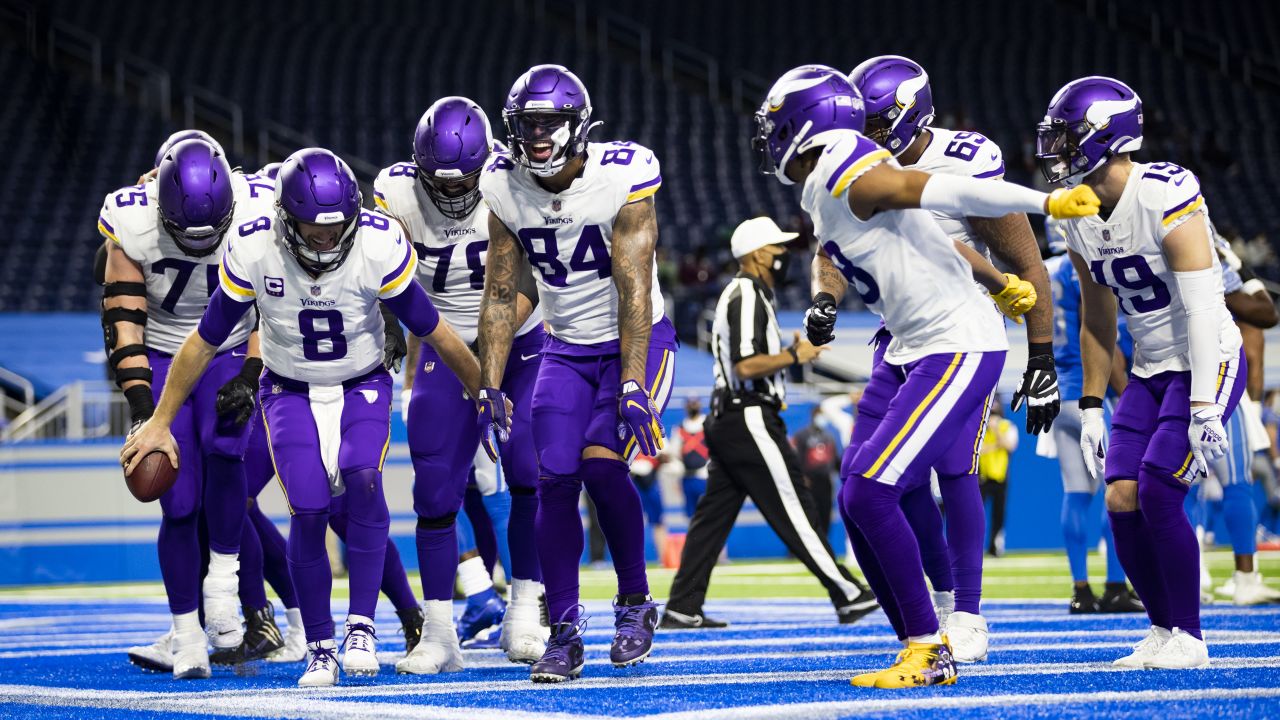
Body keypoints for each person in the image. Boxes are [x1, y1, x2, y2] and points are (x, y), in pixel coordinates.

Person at [757, 65, 1098, 688]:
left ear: (805, 126)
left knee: (871, 488)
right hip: (912, 342)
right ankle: (918, 638)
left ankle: (935, 640)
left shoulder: (843, 166)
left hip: (955, 345)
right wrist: (997, 282)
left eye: (775, 125)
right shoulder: (824, 183)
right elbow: (922, 236)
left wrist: (1042, 201)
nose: (767, 136)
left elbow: (952, 197)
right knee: (855, 497)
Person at [123, 147, 483, 687]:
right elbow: (202, 343)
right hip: (288, 387)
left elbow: (435, 330)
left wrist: (484, 389)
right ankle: (319, 644)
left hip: (361, 380)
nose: (326, 239)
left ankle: (361, 626)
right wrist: (159, 419)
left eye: (336, 227)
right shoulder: (253, 246)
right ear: (286, 220)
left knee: (363, 478)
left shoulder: (378, 242)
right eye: (313, 229)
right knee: (310, 510)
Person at [850, 55, 1060, 663]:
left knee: (956, 468)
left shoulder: (964, 160)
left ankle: (966, 613)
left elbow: (1025, 262)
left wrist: (1040, 356)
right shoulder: (854, 166)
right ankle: (940, 600)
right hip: (897, 338)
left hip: (962, 337)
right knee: (884, 476)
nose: (866, 133)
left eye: (876, 120)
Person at [476, 64, 677, 683]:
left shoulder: (620, 176)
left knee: (598, 463)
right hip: (564, 348)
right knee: (552, 479)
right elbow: (503, 291)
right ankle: (563, 632)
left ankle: (636, 602)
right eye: (526, 124)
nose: (536, 137)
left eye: (549, 123)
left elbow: (635, 289)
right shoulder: (502, 184)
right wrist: (489, 381)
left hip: (633, 341)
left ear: (578, 126)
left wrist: (635, 383)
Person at [1037, 76, 1245, 669]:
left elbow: (1205, 306)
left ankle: (1192, 638)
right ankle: (1161, 629)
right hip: (1152, 369)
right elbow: (1098, 319)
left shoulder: (1165, 192)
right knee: (1121, 496)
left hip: (1208, 360)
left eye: (1068, 136)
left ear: (1108, 134)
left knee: (1158, 490)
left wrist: (1205, 404)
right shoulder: (1076, 214)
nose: (1057, 150)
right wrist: (1093, 405)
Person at [375, 96, 547, 671]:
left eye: (462, 181)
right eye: (438, 181)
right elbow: (381, 265)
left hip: (519, 336)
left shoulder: (514, 180)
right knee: (434, 488)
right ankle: (441, 633)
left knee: (527, 475)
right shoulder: (396, 192)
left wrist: (491, 350)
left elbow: (534, 280)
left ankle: (524, 612)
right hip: (442, 342)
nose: (450, 193)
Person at [102, 138, 270, 678]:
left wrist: (251, 369)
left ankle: (223, 588)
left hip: (227, 346)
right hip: (160, 349)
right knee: (177, 500)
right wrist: (146, 411)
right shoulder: (130, 220)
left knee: (226, 452)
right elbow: (122, 323)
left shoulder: (260, 208)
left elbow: (276, 300)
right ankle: (186, 633)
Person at [662, 216, 878, 630]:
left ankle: (683, 604)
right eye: (777, 250)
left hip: (732, 416)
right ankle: (847, 592)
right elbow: (746, 365)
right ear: (759, 254)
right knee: (795, 505)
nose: (783, 257)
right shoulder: (746, 293)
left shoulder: (748, 294)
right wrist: (794, 356)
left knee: (713, 517)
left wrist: (787, 353)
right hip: (748, 416)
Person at [1043, 221, 1144, 615]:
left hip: (1056, 396)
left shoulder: (1044, 271)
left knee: (1075, 492)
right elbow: (1099, 334)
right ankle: (1116, 585)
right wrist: (1126, 394)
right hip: (1090, 395)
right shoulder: (1076, 268)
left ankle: (1080, 590)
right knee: (1115, 491)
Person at [1199, 239, 1280, 605]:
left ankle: (1194, 573)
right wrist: (1234, 267)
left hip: (1167, 376)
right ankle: (1240, 577)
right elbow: (1266, 312)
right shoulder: (1211, 269)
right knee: (1233, 484)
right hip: (1214, 380)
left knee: (1176, 486)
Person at [791, 406, 840, 540]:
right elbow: (795, 458)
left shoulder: (829, 437)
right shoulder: (802, 435)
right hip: (809, 482)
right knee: (808, 514)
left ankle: (824, 543)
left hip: (825, 481)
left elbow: (835, 460)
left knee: (825, 513)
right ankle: (803, 545)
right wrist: (801, 477)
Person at [977, 403, 1017, 556]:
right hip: (983, 478)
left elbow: (1010, 446)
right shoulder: (979, 428)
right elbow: (978, 451)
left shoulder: (1008, 427)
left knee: (999, 515)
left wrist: (996, 430)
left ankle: (995, 547)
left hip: (1000, 478)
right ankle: (976, 547)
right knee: (978, 514)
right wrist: (996, 445)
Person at [668, 396, 710, 518]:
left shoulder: (708, 424)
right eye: (690, 403)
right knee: (691, 516)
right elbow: (674, 453)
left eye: (695, 403)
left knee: (708, 514)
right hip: (687, 477)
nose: (693, 406)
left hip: (706, 476)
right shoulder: (680, 428)